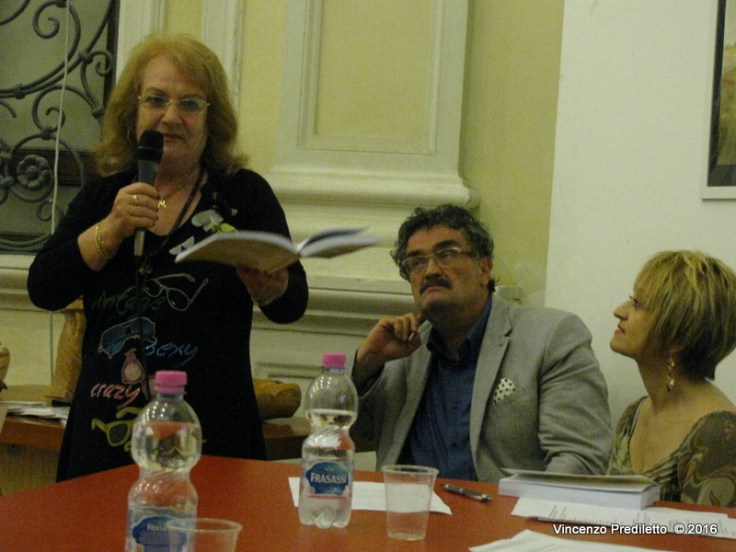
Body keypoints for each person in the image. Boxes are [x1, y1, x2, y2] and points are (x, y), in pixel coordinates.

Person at [26, 34, 309, 480]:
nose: (171, 117)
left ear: (211, 119)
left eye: (190, 104)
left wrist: (272, 285)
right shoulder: (104, 196)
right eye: (156, 100)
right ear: (132, 112)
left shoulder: (242, 195)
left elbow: (292, 303)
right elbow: (44, 287)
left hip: (214, 440)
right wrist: (111, 229)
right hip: (105, 441)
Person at [350, 204, 612, 482]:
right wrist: (365, 364)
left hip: (505, 508)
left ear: (484, 268)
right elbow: (341, 435)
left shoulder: (551, 337)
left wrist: (523, 508)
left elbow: (579, 459)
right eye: (417, 262)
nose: (430, 270)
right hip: (409, 505)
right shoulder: (402, 350)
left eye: (446, 254)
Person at [608, 250, 736, 506]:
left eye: (638, 304)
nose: (619, 311)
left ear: (679, 336)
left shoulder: (719, 434)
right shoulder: (634, 415)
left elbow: (709, 531)